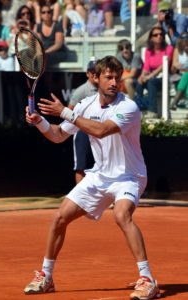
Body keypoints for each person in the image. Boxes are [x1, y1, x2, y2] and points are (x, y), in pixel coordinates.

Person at [24, 56, 160, 300]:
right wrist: (41, 122)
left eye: (117, 77)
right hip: (99, 176)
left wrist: (65, 112)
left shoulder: (128, 107)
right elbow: (57, 136)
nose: (114, 82)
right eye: (108, 77)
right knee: (59, 218)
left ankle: (147, 279)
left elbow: (101, 130)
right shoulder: (86, 105)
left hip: (129, 176)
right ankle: (46, 277)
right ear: (95, 78)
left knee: (121, 215)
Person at [68, 59, 97, 183]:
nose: (95, 74)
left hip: (99, 132)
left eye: (97, 71)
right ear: (87, 74)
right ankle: (80, 200)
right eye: (92, 71)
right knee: (81, 166)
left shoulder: (104, 90)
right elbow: (69, 110)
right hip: (83, 133)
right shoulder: (80, 90)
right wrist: (81, 122)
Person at [135, 26, 173, 118]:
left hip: (164, 78)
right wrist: (142, 76)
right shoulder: (149, 51)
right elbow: (146, 66)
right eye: (155, 35)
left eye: (161, 34)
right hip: (153, 77)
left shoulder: (169, 48)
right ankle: (139, 108)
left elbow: (163, 66)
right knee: (139, 82)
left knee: (151, 81)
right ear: (151, 37)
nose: (159, 36)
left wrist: (150, 76)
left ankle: (153, 110)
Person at [35, 4, 67, 70]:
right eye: (43, 12)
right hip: (44, 54)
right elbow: (38, 44)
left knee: (43, 58)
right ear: (41, 15)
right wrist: (39, 52)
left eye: (48, 12)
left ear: (52, 13)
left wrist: (45, 52)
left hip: (57, 52)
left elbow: (58, 45)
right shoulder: (39, 26)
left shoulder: (57, 25)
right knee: (35, 58)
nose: (46, 14)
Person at [170, 33, 188, 110]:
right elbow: (175, 64)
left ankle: (174, 102)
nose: (185, 41)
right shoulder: (177, 50)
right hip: (179, 75)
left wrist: (182, 65)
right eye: (183, 40)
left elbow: (179, 64)